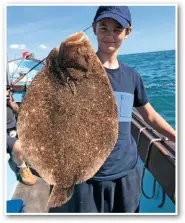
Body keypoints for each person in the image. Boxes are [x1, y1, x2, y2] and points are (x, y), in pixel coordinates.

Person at [52, 6, 176, 213]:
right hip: (85, 175)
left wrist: (176, 137)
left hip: (126, 172)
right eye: (104, 28)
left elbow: (150, 116)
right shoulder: (74, 72)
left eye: (117, 29)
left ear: (128, 32)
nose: (110, 35)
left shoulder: (131, 76)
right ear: (94, 29)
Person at [7, 88, 37, 185]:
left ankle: (31, 159)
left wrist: (10, 101)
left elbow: (17, 110)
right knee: (18, 145)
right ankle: (22, 168)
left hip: (13, 126)